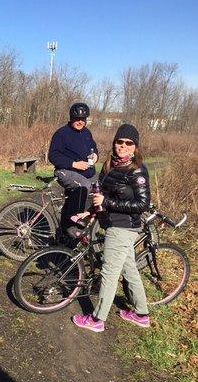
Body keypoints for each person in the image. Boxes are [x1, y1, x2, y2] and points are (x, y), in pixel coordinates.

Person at [72, 124, 151, 332]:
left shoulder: (138, 171)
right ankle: (142, 314)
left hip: (123, 227)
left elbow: (141, 205)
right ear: (114, 143)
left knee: (109, 272)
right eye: (120, 142)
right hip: (112, 223)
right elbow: (101, 196)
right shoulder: (109, 166)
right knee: (129, 269)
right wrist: (89, 211)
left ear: (135, 147)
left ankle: (97, 320)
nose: (123, 146)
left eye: (129, 143)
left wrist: (107, 203)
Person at [48, 102, 98, 238]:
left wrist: (95, 156)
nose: (80, 122)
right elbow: (53, 155)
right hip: (66, 171)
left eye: (83, 119)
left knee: (99, 190)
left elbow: (93, 148)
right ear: (71, 118)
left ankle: (76, 228)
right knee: (84, 186)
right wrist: (74, 164)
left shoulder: (87, 133)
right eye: (77, 119)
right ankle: (72, 223)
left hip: (86, 173)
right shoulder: (61, 133)